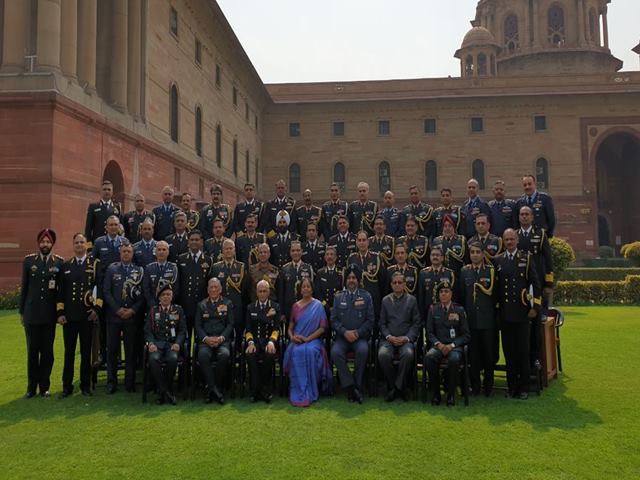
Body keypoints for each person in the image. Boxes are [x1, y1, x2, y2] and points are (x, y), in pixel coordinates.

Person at [495, 229, 542, 400]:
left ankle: (523, 388)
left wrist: (535, 308)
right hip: (505, 314)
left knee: (523, 352)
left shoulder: (526, 258)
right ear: (503, 241)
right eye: (506, 239)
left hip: (522, 313)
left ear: (517, 240)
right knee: (509, 353)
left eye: (511, 239)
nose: (509, 242)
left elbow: (536, 285)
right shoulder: (498, 260)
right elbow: (496, 288)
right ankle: (511, 387)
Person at [20, 228, 64, 398]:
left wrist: (60, 311)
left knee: (47, 352)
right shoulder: (29, 261)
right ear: (39, 243)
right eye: (42, 242)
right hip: (31, 314)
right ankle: (31, 388)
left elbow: (60, 291)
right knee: (32, 352)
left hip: (48, 315)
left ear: (52, 244)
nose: (45, 244)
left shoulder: (58, 262)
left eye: (48, 242)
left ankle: (44, 386)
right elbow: (25, 288)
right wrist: (22, 312)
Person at [56, 233, 101, 398]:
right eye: (77, 242)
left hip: (86, 316)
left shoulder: (94, 264)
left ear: (86, 245)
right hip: (69, 317)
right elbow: (60, 292)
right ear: (73, 245)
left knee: (85, 353)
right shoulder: (65, 265)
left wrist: (96, 309)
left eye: (82, 242)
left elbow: (100, 289)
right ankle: (67, 387)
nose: (80, 245)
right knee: (69, 353)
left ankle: (85, 386)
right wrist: (60, 313)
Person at [103, 241, 145, 394]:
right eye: (124, 251)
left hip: (132, 318)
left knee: (130, 351)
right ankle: (111, 382)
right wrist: (118, 310)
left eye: (129, 251)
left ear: (133, 254)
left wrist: (132, 310)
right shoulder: (111, 269)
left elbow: (142, 295)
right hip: (114, 318)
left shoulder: (139, 271)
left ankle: (130, 382)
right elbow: (106, 292)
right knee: (112, 351)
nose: (126, 254)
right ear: (120, 253)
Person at [283, 277, 332, 407]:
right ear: (300, 290)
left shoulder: (318, 306)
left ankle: (312, 389)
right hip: (297, 339)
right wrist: (292, 337)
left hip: (313, 340)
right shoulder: (295, 306)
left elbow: (322, 328)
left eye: (308, 286)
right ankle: (297, 389)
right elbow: (290, 327)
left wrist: (308, 339)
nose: (305, 289)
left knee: (310, 351)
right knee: (295, 351)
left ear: (312, 289)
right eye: (303, 287)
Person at [517, 206, 554, 368]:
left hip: (536, 285)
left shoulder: (540, 235)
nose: (524, 217)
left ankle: (536, 357)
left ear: (532, 217)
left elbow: (548, 260)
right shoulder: (514, 235)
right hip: (520, 285)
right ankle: (522, 359)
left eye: (527, 214)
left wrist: (548, 283)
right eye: (521, 214)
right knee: (521, 322)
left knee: (536, 322)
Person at [331, 265, 374, 403]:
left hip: (359, 338)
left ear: (358, 280)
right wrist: (344, 332)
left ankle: (357, 384)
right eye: (349, 278)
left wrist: (357, 332)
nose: (351, 280)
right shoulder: (338, 297)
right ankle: (351, 387)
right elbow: (334, 320)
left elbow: (370, 320)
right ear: (345, 280)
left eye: (354, 278)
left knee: (363, 351)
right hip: (342, 338)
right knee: (335, 352)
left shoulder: (366, 296)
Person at [459, 242, 497, 396]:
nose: (474, 254)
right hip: (471, 320)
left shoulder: (490, 271)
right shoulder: (464, 271)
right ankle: (475, 386)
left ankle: (488, 386)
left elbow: (495, 295)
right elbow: (461, 296)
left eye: (477, 252)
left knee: (489, 355)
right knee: (473, 356)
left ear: (483, 254)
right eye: (472, 252)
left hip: (487, 320)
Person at [377, 271, 421, 402]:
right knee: (383, 355)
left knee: (408, 355)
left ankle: (395, 388)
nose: (397, 285)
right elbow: (382, 323)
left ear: (404, 284)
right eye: (394, 282)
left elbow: (416, 323)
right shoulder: (385, 300)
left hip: (405, 340)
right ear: (391, 284)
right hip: (389, 340)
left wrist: (407, 338)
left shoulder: (412, 300)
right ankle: (397, 386)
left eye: (400, 282)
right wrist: (389, 336)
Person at [425, 281, 470, 406]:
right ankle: (436, 394)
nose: (443, 294)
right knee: (429, 357)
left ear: (451, 294)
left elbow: (466, 335)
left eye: (446, 291)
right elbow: (429, 333)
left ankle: (450, 394)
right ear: (438, 295)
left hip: (454, 347)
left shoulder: (459, 310)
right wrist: (438, 344)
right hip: (438, 346)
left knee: (454, 360)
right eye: (441, 292)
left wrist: (452, 345)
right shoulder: (433, 309)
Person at [145, 285, 186, 405]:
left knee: (172, 359)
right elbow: (147, 331)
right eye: (163, 295)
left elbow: (182, 330)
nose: (166, 297)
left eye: (168, 294)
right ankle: (167, 391)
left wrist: (178, 343)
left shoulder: (178, 310)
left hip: (172, 345)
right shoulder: (153, 311)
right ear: (159, 297)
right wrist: (151, 343)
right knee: (153, 359)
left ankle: (162, 392)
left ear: (172, 296)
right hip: (157, 344)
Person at [195, 278, 234, 404]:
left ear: (220, 289)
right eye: (211, 287)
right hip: (206, 341)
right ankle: (216, 390)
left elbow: (230, 324)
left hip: (222, 340)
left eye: (216, 287)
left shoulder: (227, 303)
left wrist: (221, 338)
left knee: (224, 355)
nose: (213, 289)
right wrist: (206, 339)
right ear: (207, 289)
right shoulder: (201, 305)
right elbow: (198, 326)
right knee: (202, 355)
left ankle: (211, 389)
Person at [245, 280, 281, 403]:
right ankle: (256, 390)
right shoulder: (250, 307)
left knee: (270, 355)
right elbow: (248, 330)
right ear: (256, 292)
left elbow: (276, 329)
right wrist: (250, 343)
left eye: (264, 291)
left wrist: (272, 342)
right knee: (250, 355)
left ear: (269, 292)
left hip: (268, 341)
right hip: (255, 342)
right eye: (260, 291)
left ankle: (264, 389)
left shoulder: (275, 307)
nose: (262, 293)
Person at [210, 239, 249, 349]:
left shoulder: (241, 267)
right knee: (222, 334)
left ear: (234, 250)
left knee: (238, 334)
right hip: (220, 308)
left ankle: (237, 355)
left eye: (230, 248)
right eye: (226, 248)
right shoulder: (216, 267)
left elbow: (245, 289)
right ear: (222, 251)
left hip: (237, 307)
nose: (228, 251)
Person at [176, 230, 211, 340]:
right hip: (185, 304)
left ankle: (198, 357)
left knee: (200, 337)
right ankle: (184, 357)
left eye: (197, 240)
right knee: (185, 335)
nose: (194, 242)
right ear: (188, 242)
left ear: (201, 242)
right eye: (191, 240)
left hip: (202, 305)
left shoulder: (208, 260)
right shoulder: (181, 259)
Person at [347, 231, 384, 323]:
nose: (362, 242)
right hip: (357, 296)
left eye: (364, 240)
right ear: (356, 242)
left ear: (368, 242)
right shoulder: (352, 258)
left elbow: (383, 279)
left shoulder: (376, 258)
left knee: (374, 320)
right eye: (359, 240)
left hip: (374, 296)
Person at [278, 240, 314, 329]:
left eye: (298, 250)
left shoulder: (308, 268)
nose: (295, 253)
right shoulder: (284, 269)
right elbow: (281, 292)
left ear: (302, 252)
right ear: (290, 252)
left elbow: (312, 292)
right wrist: (281, 313)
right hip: (288, 311)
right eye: (293, 250)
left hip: (305, 309)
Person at [417, 246, 456, 319]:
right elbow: (421, 296)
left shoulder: (449, 274)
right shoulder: (423, 273)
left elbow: (454, 296)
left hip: (445, 312)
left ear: (442, 258)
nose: (435, 257)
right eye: (433, 255)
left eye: (437, 255)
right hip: (428, 312)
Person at [313, 246, 343, 334]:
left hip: (337, 308)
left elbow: (342, 291)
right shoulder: (320, 273)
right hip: (324, 308)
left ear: (336, 257)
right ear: (325, 257)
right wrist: (326, 306)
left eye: (332, 255)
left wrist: (334, 307)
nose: (329, 257)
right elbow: (318, 293)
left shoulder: (341, 272)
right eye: (327, 254)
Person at [84, 180, 122, 249]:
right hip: (97, 244)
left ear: (112, 192)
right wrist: (89, 247)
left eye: (109, 189)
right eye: (104, 189)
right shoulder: (93, 207)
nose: (106, 191)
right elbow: (88, 229)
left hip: (113, 245)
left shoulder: (117, 207)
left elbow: (120, 227)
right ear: (101, 191)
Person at [432, 214, 467, 279]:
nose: (447, 228)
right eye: (445, 226)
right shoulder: (436, 241)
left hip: (458, 276)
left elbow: (467, 260)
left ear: (454, 227)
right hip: (441, 276)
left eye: (450, 226)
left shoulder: (461, 240)